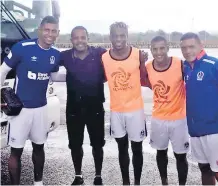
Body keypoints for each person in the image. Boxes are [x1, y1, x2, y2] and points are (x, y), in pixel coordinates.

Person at [0, 16, 61, 185]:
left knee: (39, 147)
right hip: (20, 110)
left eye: (54, 31)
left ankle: (38, 183)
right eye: (47, 30)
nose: (50, 34)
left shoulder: (55, 54)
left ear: (58, 33)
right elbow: (3, 71)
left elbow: (55, 76)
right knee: (16, 151)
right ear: (40, 30)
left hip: (41, 108)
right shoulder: (22, 47)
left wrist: (81, 75)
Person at [101, 22, 148, 185]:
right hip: (116, 111)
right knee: (122, 148)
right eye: (115, 35)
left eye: (122, 35)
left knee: (136, 149)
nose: (118, 39)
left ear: (127, 36)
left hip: (135, 110)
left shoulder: (138, 54)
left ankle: (137, 182)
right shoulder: (104, 57)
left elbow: (145, 79)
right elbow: (101, 78)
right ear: (110, 37)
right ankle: (125, 181)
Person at [59, 26, 106, 185]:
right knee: (75, 145)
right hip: (74, 108)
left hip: (95, 107)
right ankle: (78, 175)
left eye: (82, 37)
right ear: (71, 40)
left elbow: (118, 58)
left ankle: (98, 175)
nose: (79, 41)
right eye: (76, 38)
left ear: (88, 38)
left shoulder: (100, 53)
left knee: (97, 144)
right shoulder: (64, 56)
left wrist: (140, 57)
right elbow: (47, 62)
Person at [180, 32, 218, 185]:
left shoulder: (215, 66)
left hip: (216, 132)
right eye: (183, 48)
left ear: (201, 46)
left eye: (191, 46)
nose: (187, 51)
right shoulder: (185, 67)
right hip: (195, 131)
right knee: (205, 170)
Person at [144, 36, 189, 185]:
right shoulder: (148, 66)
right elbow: (148, 83)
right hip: (159, 119)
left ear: (168, 47)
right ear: (151, 50)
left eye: (162, 48)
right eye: (155, 49)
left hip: (179, 119)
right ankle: (164, 182)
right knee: (161, 152)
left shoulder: (180, 64)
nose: (159, 52)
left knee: (180, 156)